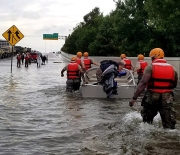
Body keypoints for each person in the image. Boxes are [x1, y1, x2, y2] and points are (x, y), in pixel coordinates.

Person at [129, 48, 178, 129]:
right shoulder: (173, 69)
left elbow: (142, 83)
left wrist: (134, 98)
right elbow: (174, 84)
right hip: (167, 96)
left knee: (147, 122)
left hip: (153, 95)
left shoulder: (150, 67)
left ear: (153, 57)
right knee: (169, 123)